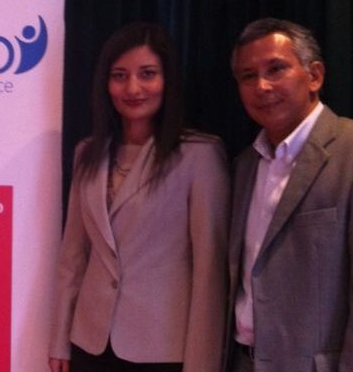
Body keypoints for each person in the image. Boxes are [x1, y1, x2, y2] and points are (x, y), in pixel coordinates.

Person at [49, 22, 229, 372]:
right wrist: (59, 339)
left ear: (167, 80)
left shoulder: (199, 155)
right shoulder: (88, 152)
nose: (132, 88)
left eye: (147, 74)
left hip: (161, 348)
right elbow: (73, 257)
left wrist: (202, 363)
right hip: (89, 342)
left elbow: (209, 272)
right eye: (119, 76)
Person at [225, 18, 353, 371]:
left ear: (315, 75)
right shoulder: (244, 165)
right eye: (248, 76)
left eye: (276, 69)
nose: (261, 86)